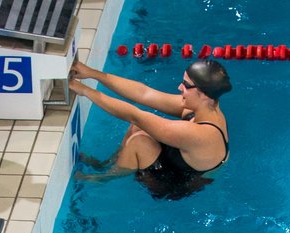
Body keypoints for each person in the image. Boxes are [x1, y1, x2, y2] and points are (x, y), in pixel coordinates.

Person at [67, 55, 231, 198]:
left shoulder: (199, 134)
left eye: (186, 85)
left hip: (176, 184)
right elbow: (145, 94)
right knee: (139, 128)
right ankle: (106, 164)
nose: (179, 88)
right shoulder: (206, 107)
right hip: (181, 162)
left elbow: (135, 115)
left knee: (140, 142)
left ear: (203, 94)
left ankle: (104, 178)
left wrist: (85, 91)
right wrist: (91, 73)